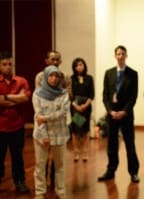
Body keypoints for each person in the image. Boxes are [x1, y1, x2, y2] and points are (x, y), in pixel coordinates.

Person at [97, 45, 140, 183]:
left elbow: (133, 96)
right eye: (118, 54)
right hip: (112, 114)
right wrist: (110, 111)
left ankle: (133, 172)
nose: (120, 56)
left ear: (126, 55)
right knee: (112, 144)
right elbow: (105, 95)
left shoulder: (133, 73)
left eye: (123, 54)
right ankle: (110, 170)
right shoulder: (108, 73)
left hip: (126, 115)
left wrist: (124, 112)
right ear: (115, 56)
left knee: (129, 144)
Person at [35, 50, 71, 188]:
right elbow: (40, 98)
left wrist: (60, 105)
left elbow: (68, 95)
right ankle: (41, 186)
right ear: (46, 61)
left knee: (58, 160)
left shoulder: (65, 76)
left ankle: (56, 185)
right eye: (52, 59)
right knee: (42, 159)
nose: (55, 62)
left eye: (57, 60)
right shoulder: (40, 77)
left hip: (60, 124)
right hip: (43, 124)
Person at [0, 52, 31, 193]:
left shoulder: (21, 81)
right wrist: (15, 98)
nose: (7, 67)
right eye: (4, 64)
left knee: (17, 156)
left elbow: (25, 98)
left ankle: (20, 181)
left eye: (10, 64)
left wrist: (5, 98)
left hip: (17, 126)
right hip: (0, 127)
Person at [70, 57, 94, 162]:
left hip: (86, 107)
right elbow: (70, 95)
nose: (79, 67)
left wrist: (85, 105)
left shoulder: (89, 78)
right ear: (74, 67)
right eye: (77, 65)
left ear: (84, 66)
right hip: (75, 107)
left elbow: (91, 94)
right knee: (76, 129)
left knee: (85, 129)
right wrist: (76, 106)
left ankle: (85, 152)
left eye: (81, 64)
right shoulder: (71, 79)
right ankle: (76, 152)